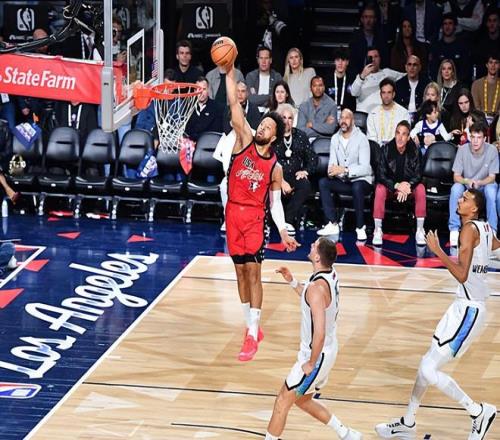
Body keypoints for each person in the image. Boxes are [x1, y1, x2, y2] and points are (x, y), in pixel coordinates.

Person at [375, 188, 499, 440]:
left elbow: (462, 275)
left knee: (429, 369)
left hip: (469, 310)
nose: (459, 200)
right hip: (462, 306)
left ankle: (478, 412)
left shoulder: (468, 230)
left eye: (465, 199)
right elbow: (496, 248)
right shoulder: (485, 228)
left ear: (474, 208)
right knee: (426, 364)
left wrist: (438, 251)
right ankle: (408, 422)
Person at [224, 61, 299, 362]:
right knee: (240, 272)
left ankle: (253, 334)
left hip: (255, 217)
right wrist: (229, 71)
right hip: (232, 213)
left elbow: (275, 203)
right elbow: (234, 103)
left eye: (267, 127)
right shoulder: (243, 140)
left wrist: (283, 230)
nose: (262, 128)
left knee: (254, 272)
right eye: (262, 125)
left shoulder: (275, 167)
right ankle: (250, 325)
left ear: (275, 136)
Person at [265, 238, 362, 440]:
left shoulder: (316, 288)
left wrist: (310, 362)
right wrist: (292, 281)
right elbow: (312, 301)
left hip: (316, 355)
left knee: (282, 401)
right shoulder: (329, 274)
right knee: (302, 399)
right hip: (328, 349)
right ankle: (346, 434)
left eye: (314, 246)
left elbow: (319, 332)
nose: (310, 245)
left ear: (317, 257)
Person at [318, 109, 373, 241]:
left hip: (362, 181)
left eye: (347, 118)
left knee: (357, 187)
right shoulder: (335, 138)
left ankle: (360, 227)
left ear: (353, 121)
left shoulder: (362, 139)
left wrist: (344, 170)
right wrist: (331, 171)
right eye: (341, 118)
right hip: (344, 181)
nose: (343, 121)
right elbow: (332, 165)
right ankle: (332, 223)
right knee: (323, 182)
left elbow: (365, 168)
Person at [373, 121, 426, 246]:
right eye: (398, 133)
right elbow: (381, 175)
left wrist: (408, 185)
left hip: (408, 188)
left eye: (404, 134)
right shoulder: (386, 149)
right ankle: (378, 229)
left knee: (421, 188)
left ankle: (420, 230)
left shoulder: (415, 151)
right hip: (391, 187)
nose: (400, 137)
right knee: (379, 188)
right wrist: (397, 186)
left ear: (408, 137)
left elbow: (418, 175)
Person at [448, 122, 498, 246]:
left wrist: (480, 182)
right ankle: (454, 229)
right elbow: (456, 176)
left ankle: (492, 231)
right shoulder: (462, 149)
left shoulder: (492, 150)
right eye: (473, 137)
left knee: (491, 191)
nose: (475, 141)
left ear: (484, 139)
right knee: (455, 188)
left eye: (479, 137)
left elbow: (492, 177)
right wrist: (467, 181)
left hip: (485, 184)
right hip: (468, 185)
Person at [275, 103, 317, 234]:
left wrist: (305, 171)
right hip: (276, 175)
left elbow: (312, 158)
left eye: (290, 118)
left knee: (305, 185)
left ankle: (287, 220)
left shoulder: (300, 136)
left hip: (295, 175)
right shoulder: (273, 136)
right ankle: (272, 221)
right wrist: (281, 181)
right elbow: (267, 161)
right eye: (283, 117)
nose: (286, 121)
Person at [350, 47, 405, 113]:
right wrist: (363, 75)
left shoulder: (387, 72)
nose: (373, 59)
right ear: (366, 59)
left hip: (383, 113)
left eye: (376, 56)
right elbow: (353, 93)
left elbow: (407, 75)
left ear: (379, 59)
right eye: (370, 57)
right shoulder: (360, 77)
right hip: (364, 113)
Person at [429, 13, 472, 83]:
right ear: (442, 27)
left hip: (459, 84)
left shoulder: (462, 46)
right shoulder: (436, 47)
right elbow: (433, 70)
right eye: (445, 24)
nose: (447, 26)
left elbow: (465, 70)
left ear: (455, 26)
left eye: (450, 23)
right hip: (440, 84)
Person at [367, 78, 411, 146]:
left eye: (389, 92)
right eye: (383, 92)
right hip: (377, 150)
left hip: (397, 149)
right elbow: (372, 139)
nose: (386, 96)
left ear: (393, 94)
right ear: (380, 94)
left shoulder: (403, 113)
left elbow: (404, 136)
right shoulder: (373, 114)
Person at [349, 4, 389, 74]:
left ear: (375, 19)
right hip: (359, 74)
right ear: (362, 19)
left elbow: (384, 60)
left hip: (378, 74)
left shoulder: (381, 37)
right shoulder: (355, 37)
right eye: (366, 17)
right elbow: (352, 61)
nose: (368, 20)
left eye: (371, 17)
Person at [246, 46, 283, 114]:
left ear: (270, 60)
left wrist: (259, 99)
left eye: (266, 58)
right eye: (261, 58)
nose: (263, 61)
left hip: (271, 113)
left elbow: (279, 98)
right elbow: (251, 99)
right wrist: (271, 96)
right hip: (253, 113)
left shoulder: (277, 77)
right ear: (258, 60)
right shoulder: (251, 76)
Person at [184, 77, 223, 141]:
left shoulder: (218, 108)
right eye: (198, 89)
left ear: (208, 90)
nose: (201, 92)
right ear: (194, 91)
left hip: (209, 144)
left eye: (204, 89)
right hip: (190, 144)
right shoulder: (187, 107)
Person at [395, 55, 429, 122]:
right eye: (409, 64)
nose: (412, 68)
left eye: (415, 65)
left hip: (422, 119)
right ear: (406, 67)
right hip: (402, 119)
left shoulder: (427, 84)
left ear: (419, 67)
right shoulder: (398, 85)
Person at [325, 47, 357, 113]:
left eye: (343, 60)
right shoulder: (327, 78)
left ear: (347, 62)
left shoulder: (353, 79)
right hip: (330, 114)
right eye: (337, 60)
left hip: (348, 114)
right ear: (334, 62)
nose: (340, 63)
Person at [471, 53, 500, 122]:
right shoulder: (476, 84)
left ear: (499, 65)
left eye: (496, 63)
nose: (493, 65)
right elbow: (476, 107)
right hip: (480, 121)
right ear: (486, 65)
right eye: (490, 62)